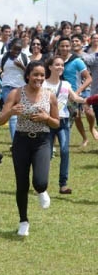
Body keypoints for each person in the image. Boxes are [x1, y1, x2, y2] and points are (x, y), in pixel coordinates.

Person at [0, 61, 59, 237]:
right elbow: (0, 120)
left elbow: (56, 122)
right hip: (22, 141)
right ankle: (23, 220)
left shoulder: (50, 96)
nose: (38, 78)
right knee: (22, 184)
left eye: (41, 75)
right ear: (28, 75)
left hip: (42, 141)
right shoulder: (16, 93)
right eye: (35, 74)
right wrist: (11, 112)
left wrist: (46, 118)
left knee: (40, 181)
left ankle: (41, 190)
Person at [43, 56, 86, 195]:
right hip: (47, 122)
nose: (60, 67)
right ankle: (42, 183)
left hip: (64, 122)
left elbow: (75, 98)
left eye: (62, 65)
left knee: (65, 151)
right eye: (57, 65)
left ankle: (63, 185)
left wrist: (89, 100)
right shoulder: (43, 84)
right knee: (46, 154)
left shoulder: (66, 84)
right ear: (50, 67)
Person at [0, 39, 28, 141]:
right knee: (12, 116)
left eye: (19, 50)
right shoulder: (3, 57)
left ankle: (23, 140)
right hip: (7, 88)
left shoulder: (24, 57)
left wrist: (21, 66)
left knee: (22, 115)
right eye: (14, 49)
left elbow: (30, 73)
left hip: (22, 88)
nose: (16, 52)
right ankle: (15, 142)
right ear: (9, 47)